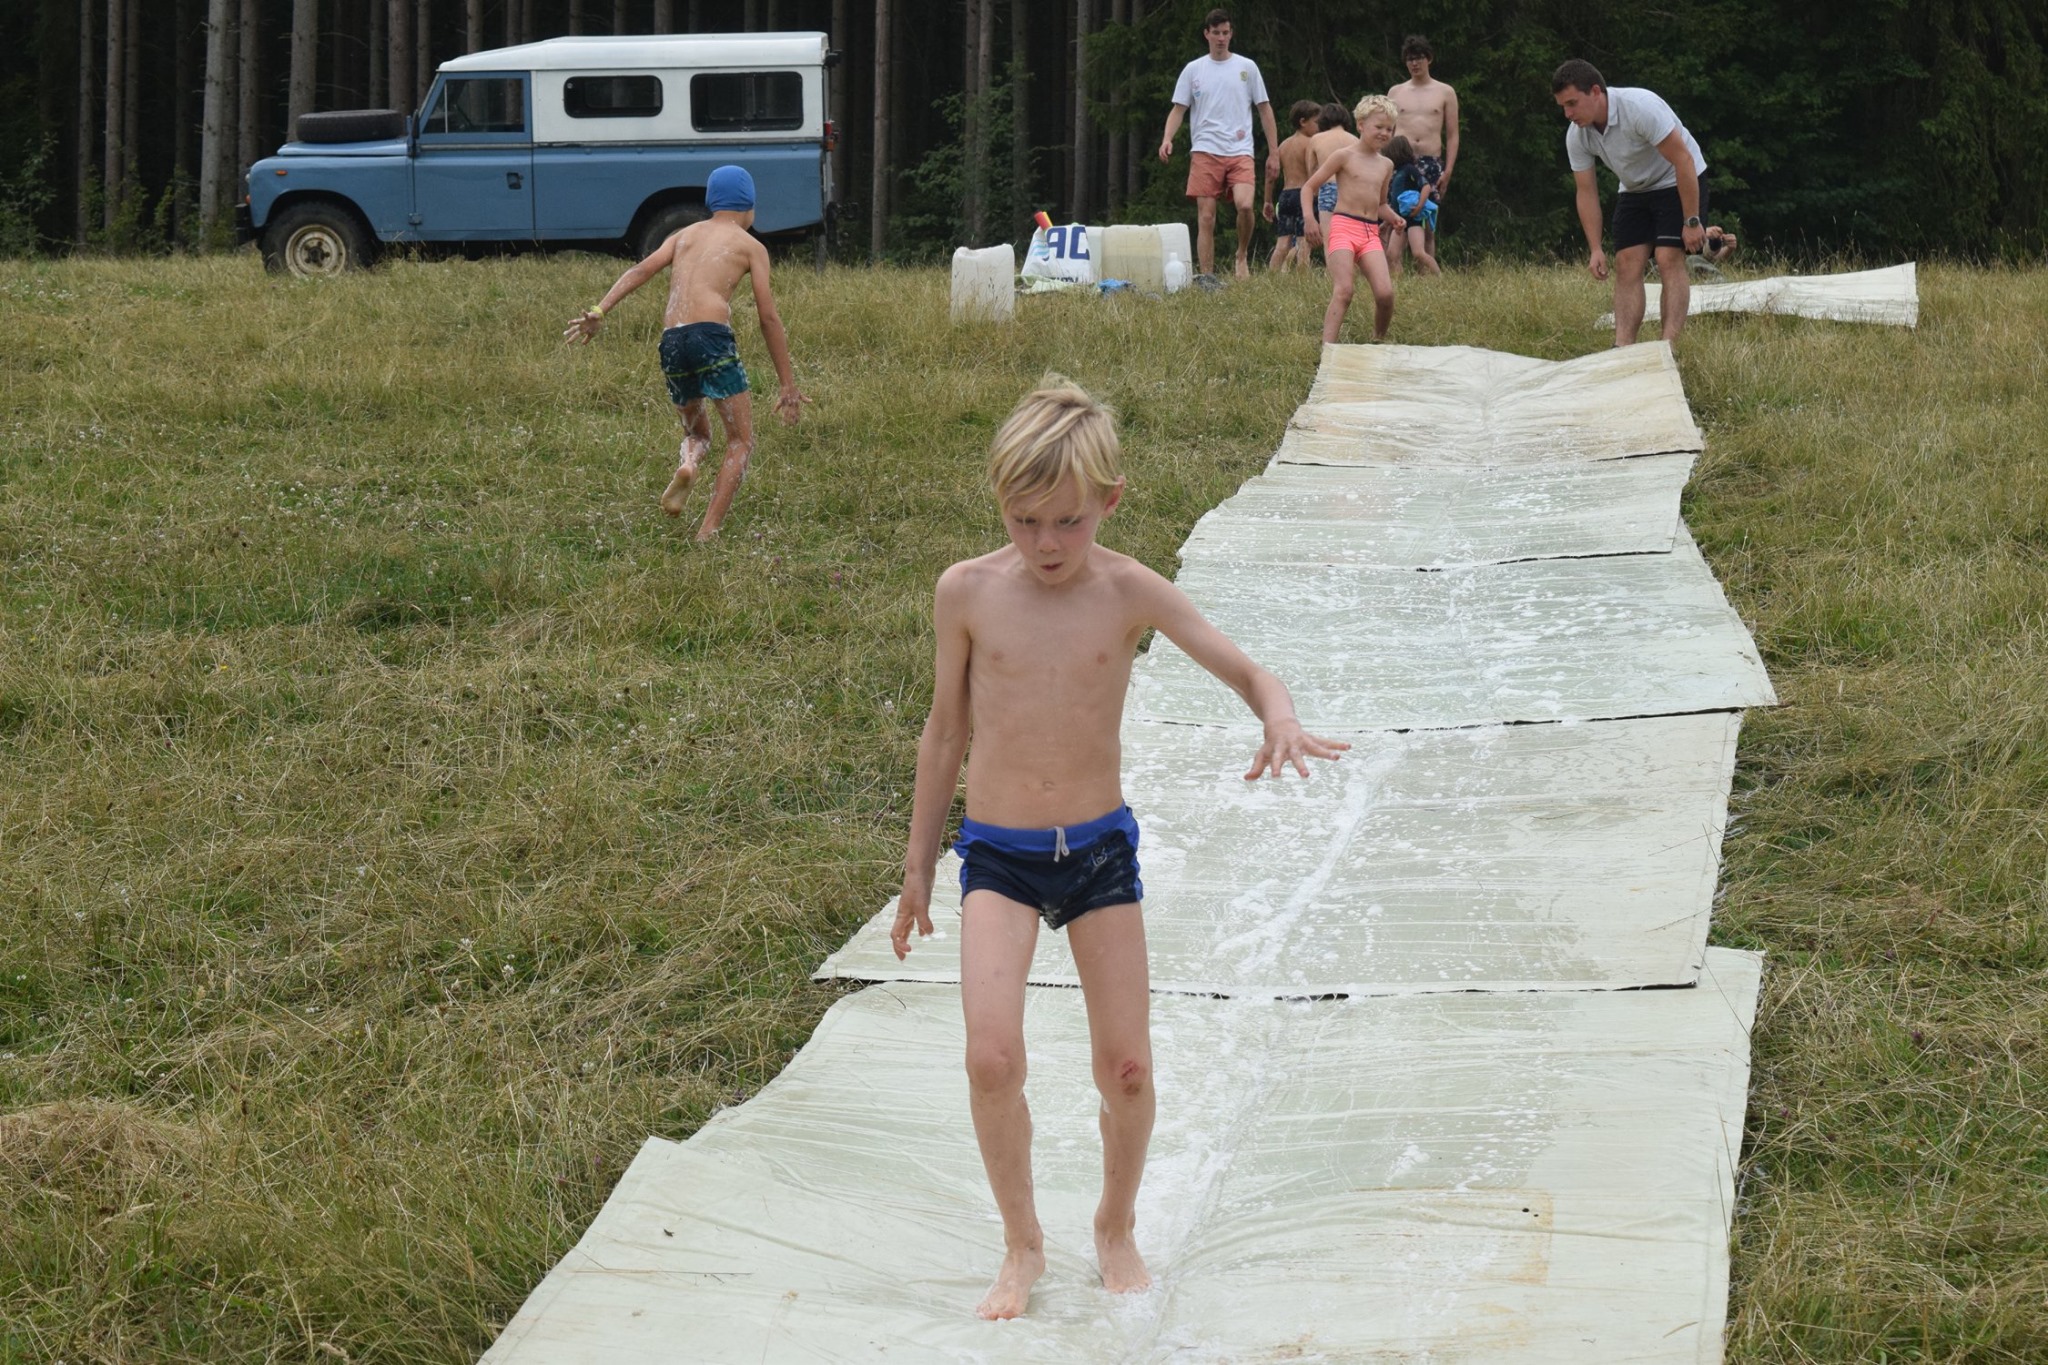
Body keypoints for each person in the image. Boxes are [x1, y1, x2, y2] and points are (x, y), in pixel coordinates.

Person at [890, 382, 1347, 1320]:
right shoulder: (967, 593)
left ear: (1111, 500)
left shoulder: (1129, 589)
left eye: (1068, 520)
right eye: (1025, 521)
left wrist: (1281, 714)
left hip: (1099, 854)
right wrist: (916, 869)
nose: (1048, 543)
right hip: (999, 857)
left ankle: (1115, 1222)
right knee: (990, 1058)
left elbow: (1244, 667)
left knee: (1127, 1066)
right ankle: (1022, 1242)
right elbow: (944, 732)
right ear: (999, 504)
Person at [563, 165, 807, 540]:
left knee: (698, 433)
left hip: (672, 340)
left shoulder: (684, 235)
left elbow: (641, 270)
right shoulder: (751, 246)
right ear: (748, 206)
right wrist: (787, 384)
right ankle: (706, 532)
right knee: (740, 441)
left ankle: (690, 462)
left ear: (712, 201)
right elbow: (768, 318)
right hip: (711, 338)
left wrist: (599, 310)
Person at [1552, 59, 1709, 346]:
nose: (1568, 113)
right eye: (1563, 106)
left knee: (1667, 258)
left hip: (1677, 178)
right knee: (1626, 263)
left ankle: (1669, 346)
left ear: (1596, 92)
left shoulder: (1639, 107)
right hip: (1635, 188)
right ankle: (1622, 348)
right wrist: (1595, 248)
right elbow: (1586, 191)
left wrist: (1692, 221)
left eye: (1573, 103)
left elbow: (1683, 159)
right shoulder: (1577, 135)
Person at [1157, 9, 1282, 281]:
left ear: (1231, 34)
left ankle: (1241, 256)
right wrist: (1168, 138)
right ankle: (1208, 277)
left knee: (1246, 205)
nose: (1221, 38)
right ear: (1207, 34)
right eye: (1216, 33)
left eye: (1226, 33)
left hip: (1240, 150)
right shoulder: (1193, 69)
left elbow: (1265, 110)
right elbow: (1178, 109)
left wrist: (1274, 151)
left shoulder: (1247, 67)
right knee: (1206, 217)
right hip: (1204, 149)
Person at [1301, 95, 1405, 342]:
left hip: (1370, 233)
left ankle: (1378, 339)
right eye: (1378, 127)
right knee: (1345, 290)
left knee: (1385, 294)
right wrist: (1309, 218)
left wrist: (1394, 218)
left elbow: (1380, 204)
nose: (1384, 133)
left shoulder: (1386, 165)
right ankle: (1328, 347)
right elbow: (1308, 188)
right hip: (1343, 227)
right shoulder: (1343, 156)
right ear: (1360, 125)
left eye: (1389, 129)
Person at [1387, 34, 1459, 264]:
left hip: (1431, 162)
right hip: (1399, 162)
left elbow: (1453, 134)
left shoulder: (1445, 92)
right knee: (1395, 218)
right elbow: (1387, 132)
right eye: (1410, 59)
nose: (1414, 63)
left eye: (1419, 58)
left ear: (1429, 59)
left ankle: (1426, 276)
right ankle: (1393, 273)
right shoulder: (1395, 92)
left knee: (1427, 223)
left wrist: (1448, 170)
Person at [1263, 99, 1323, 272]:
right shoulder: (1310, 143)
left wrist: (1267, 200)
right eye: (1316, 122)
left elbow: (1270, 176)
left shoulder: (1283, 145)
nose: (1319, 127)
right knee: (1304, 241)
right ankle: (1303, 277)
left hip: (1285, 196)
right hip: (1303, 195)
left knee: (1283, 242)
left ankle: (1272, 276)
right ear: (1303, 121)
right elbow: (1312, 171)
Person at [1306, 101, 1357, 263]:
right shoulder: (1355, 140)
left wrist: (1313, 193)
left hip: (1327, 188)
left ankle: (1334, 278)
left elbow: (1311, 170)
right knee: (1351, 238)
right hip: (1350, 190)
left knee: (1330, 239)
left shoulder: (1316, 139)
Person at [1382, 135, 1440, 276]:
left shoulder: (1409, 169)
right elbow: (1395, 204)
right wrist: (1386, 222)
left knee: (1418, 252)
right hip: (1399, 220)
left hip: (1414, 219)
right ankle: (1398, 281)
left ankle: (1439, 276)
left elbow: (1426, 187)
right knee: (1392, 254)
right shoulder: (1396, 173)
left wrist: (1419, 206)